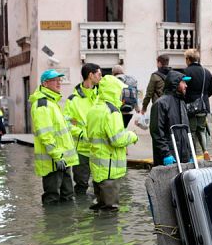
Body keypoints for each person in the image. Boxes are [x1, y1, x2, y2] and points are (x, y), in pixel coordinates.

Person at [86, 75, 139, 211]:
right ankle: (108, 232)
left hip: (98, 169)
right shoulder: (112, 111)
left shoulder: (94, 109)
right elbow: (117, 139)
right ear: (114, 91)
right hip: (110, 170)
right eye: (121, 91)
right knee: (110, 211)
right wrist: (132, 136)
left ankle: (98, 231)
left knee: (100, 207)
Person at [29, 69, 79, 205]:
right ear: (45, 83)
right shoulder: (42, 104)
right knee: (52, 198)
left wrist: (79, 131)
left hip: (63, 160)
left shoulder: (52, 103)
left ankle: (66, 224)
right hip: (54, 162)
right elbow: (46, 135)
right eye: (55, 80)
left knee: (68, 196)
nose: (59, 83)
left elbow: (61, 129)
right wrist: (57, 156)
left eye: (59, 80)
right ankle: (52, 225)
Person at [65, 63, 102, 195]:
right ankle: (81, 213)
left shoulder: (101, 96)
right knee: (81, 185)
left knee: (101, 184)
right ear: (90, 75)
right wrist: (81, 134)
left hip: (100, 149)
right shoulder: (72, 100)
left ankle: (99, 214)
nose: (101, 78)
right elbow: (67, 123)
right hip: (82, 150)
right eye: (99, 74)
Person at [150, 70, 192, 166]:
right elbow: (156, 131)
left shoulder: (182, 103)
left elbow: (187, 131)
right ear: (175, 83)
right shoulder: (160, 103)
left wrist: (190, 154)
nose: (186, 85)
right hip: (169, 156)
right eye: (183, 82)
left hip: (183, 156)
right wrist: (166, 154)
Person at [183, 48, 212, 161]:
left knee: (191, 131)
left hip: (190, 107)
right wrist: (203, 98)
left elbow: (182, 89)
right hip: (203, 106)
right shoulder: (207, 72)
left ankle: (192, 154)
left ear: (188, 59)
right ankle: (205, 151)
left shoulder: (186, 72)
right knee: (201, 129)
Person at [112, 64, 138, 128]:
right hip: (130, 110)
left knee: (118, 129)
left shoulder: (114, 80)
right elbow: (135, 94)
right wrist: (137, 108)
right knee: (124, 128)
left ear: (113, 72)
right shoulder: (131, 80)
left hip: (118, 110)